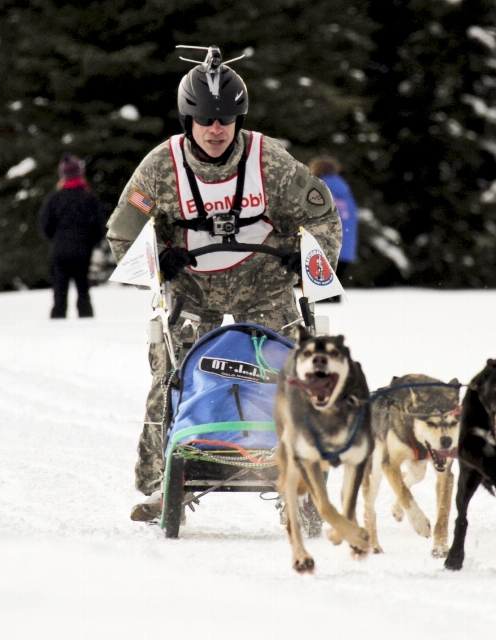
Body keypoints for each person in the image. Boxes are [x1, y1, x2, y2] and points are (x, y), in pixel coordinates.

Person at [105, 46, 342, 522]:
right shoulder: (160, 167)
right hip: (192, 287)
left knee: (295, 370)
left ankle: (303, 478)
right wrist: (157, 263)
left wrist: (308, 260)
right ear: (187, 120)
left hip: (264, 283)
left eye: (225, 119)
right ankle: (159, 482)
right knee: (170, 376)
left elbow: (322, 215)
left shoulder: (269, 160)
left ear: (239, 119)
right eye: (205, 119)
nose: (216, 129)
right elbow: (122, 232)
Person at [38, 155, 107, 319]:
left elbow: (44, 224)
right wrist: (93, 242)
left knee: (59, 293)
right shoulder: (89, 197)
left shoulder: (55, 198)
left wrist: (55, 239)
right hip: (83, 251)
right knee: (83, 291)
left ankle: (56, 326)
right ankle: (87, 323)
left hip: (60, 251)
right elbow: (100, 225)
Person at [308, 155, 358, 297]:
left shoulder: (317, 188)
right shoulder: (345, 190)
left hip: (323, 246)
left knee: (322, 295)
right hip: (344, 246)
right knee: (334, 292)